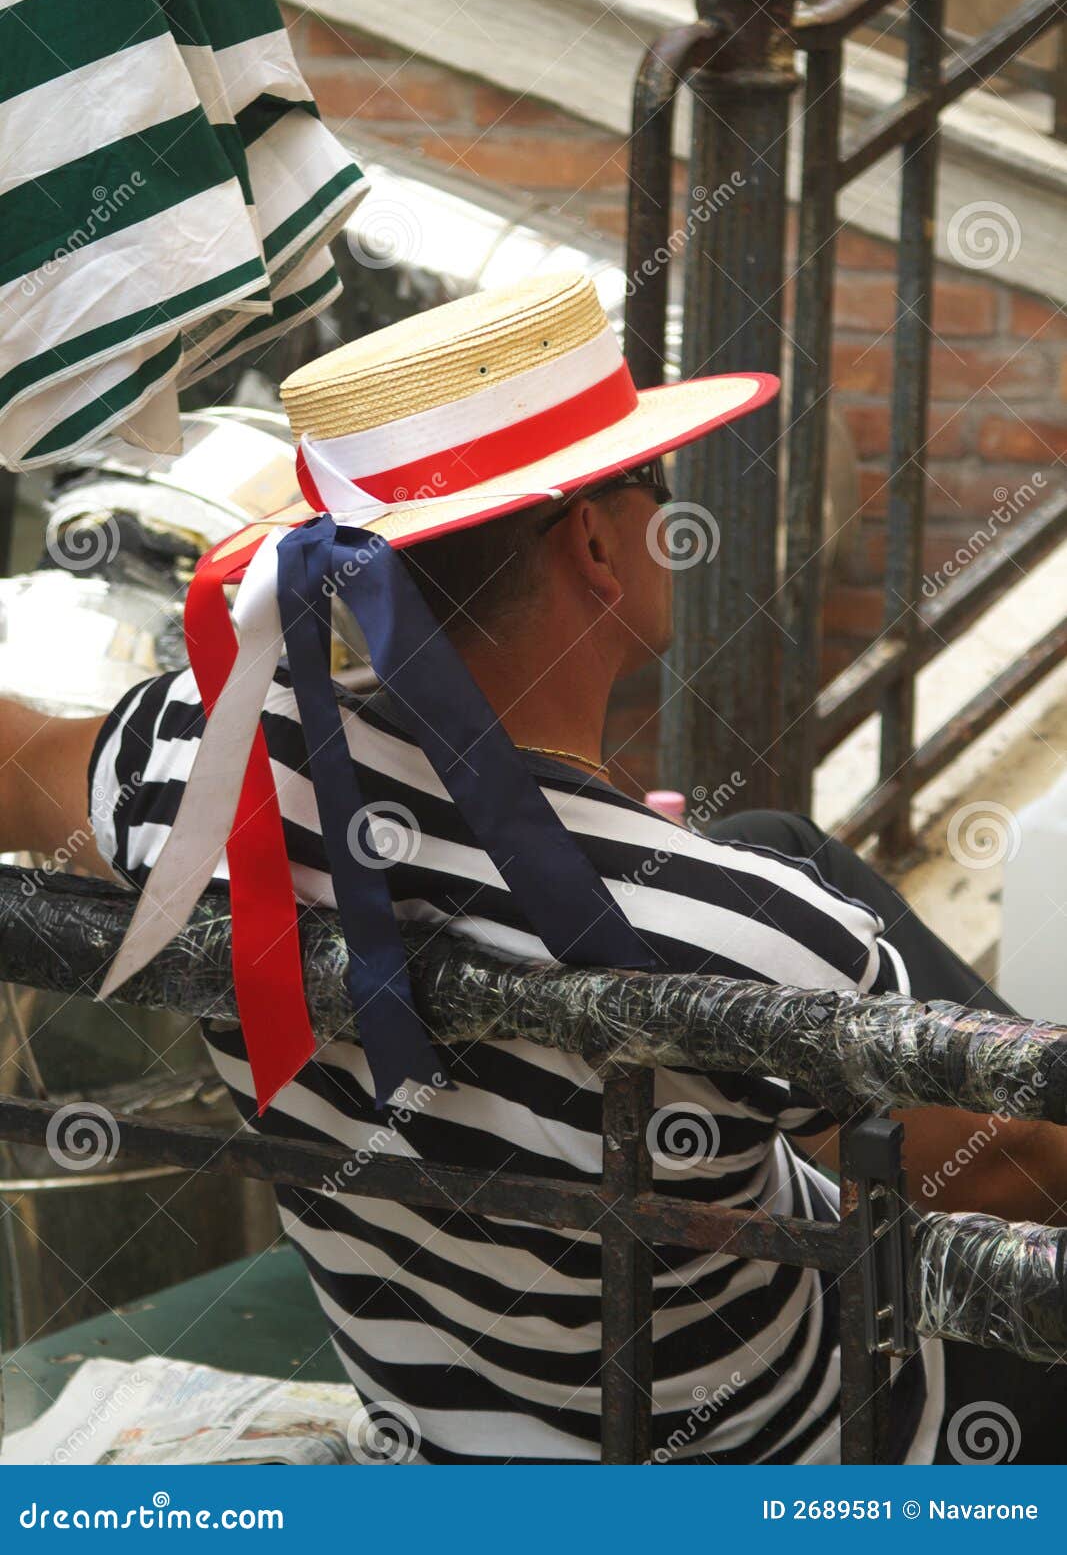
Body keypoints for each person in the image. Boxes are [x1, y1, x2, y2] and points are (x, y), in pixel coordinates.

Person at [1, 272, 1064, 1464]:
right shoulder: (755, 941)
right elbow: (1013, 1164)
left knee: (769, 840)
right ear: (598, 544)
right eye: (650, 490)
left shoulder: (189, 763)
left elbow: (17, 757)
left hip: (460, 1431)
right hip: (795, 1450)